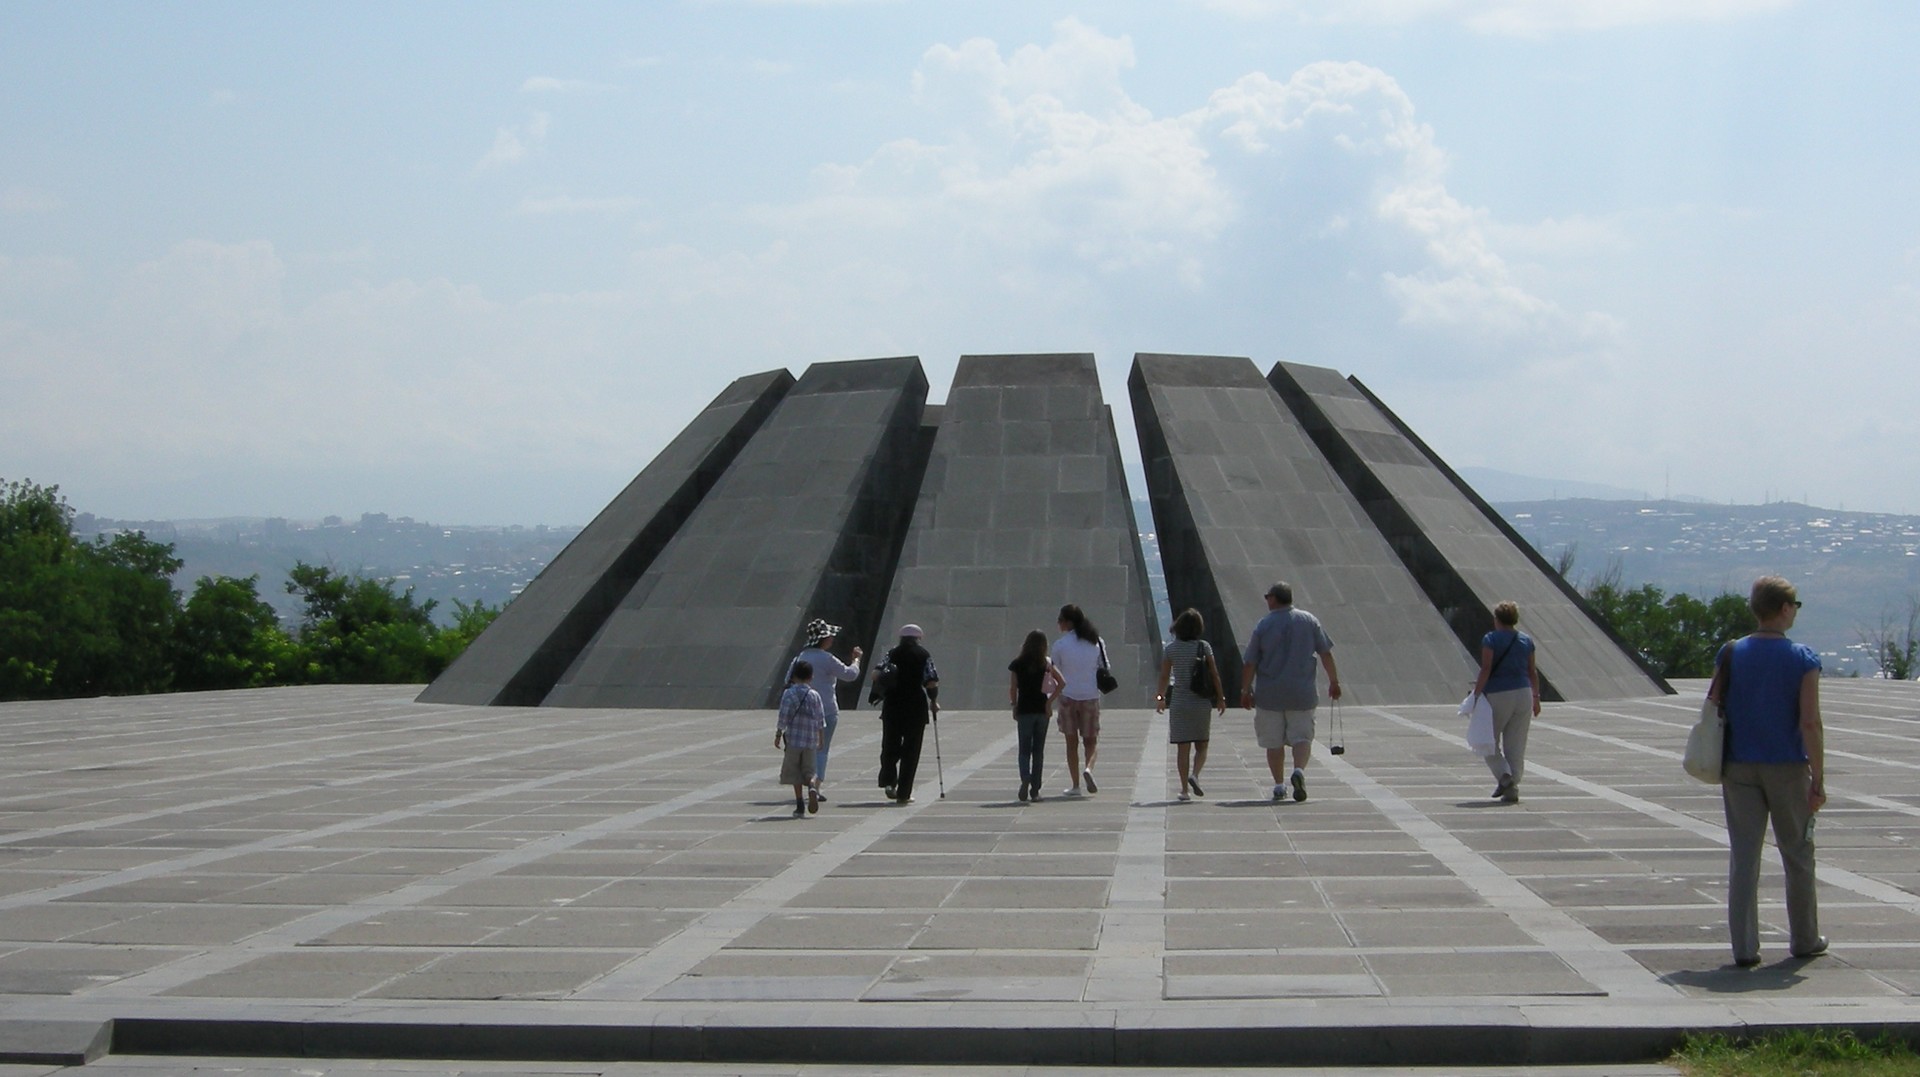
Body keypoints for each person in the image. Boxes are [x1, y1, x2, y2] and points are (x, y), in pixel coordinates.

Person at [1708, 575, 1827, 968]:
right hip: (1788, 766)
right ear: (1785, 608)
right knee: (1797, 853)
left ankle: (1744, 946)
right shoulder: (1802, 658)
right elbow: (1810, 722)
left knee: (1744, 856)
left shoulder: (1731, 652)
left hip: (1738, 763)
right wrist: (1819, 778)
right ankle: (1805, 937)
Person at [1239, 581, 1340, 802]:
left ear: (1274, 599)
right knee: (1302, 737)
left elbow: (1250, 662)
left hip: (1269, 694)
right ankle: (1298, 771)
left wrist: (1245, 690)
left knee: (1273, 742)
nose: (1266, 600)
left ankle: (1278, 785)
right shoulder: (1309, 621)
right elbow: (1325, 653)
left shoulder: (1263, 625)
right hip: (1302, 693)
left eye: (1267, 596)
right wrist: (1334, 681)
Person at [1470, 601, 1540, 805]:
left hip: (1499, 694)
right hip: (1524, 693)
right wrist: (1536, 697)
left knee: (1487, 741)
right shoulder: (1526, 640)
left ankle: (1504, 776)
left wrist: (1475, 695)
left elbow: (1486, 669)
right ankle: (1513, 787)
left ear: (1497, 619)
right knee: (1516, 744)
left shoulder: (1490, 639)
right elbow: (1532, 672)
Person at [789, 618, 863, 800]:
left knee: (804, 749)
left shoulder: (800, 658)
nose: (832, 639)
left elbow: (788, 681)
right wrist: (856, 660)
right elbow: (850, 675)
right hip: (827, 710)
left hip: (802, 711)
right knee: (822, 749)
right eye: (830, 636)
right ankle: (815, 785)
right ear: (824, 639)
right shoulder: (827, 658)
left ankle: (804, 779)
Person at [1157, 607, 1225, 802]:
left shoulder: (1170, 649)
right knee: (1202, 744)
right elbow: (1214, 674)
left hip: (1179, 702)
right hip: (1200, 702)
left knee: (1182, 747)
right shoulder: (1204, 647)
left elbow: (1163, 677)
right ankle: (1195, 774)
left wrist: (1161, 700)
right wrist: (1221, 698)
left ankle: (1184, 790)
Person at [1050, 604, 1110, 796]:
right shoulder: (1096, 642)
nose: (1058, 624)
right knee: (1091, 741)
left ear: (1067, 622)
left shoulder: (1060, 645)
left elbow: (1054, 671)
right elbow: (1105, 665)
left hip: (1067, 696)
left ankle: (1075, 785)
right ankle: (1089, 769)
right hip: (1090, 696)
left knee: (1071, 742)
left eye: (1060, 620)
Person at [876, 623, 939, 804]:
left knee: (889, 744)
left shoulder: (892, 653)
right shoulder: (923, 655)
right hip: (915, 707)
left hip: (892, 705)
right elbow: (931, 681)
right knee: (911, 750)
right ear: (918, 638)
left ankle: (888, 780)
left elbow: (876, 673)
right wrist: (933, 701)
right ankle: (904, 793)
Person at [1007, 630, 1061, 802]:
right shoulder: (1046, 663)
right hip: (1041, 710)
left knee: (1024, 749)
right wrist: (1049, 702)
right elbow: (1062, 683)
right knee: (1038, 751)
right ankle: (1035, 790)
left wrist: (1014, 705)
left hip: (1024, 709)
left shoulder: (1017, 663)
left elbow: (1013, 688)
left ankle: (1025, 777)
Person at [774, 660, 826, 819]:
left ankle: (799, 805)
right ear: (811, 677)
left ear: (794, 676)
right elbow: (820, 719)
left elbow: (784, 715)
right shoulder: (814, 695)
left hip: (794, 740)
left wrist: (778, 734)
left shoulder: (789, 693)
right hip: (810, 739)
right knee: (810, 770)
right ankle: (811, 786)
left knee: (795, 772)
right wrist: (820, 739)